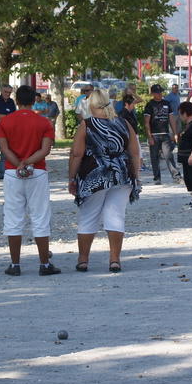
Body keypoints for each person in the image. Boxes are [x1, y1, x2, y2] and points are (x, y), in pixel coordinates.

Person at [68, 88, 140, 273]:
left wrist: (71, 178)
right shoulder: (124, 123)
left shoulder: (87, 124)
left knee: (88, 216)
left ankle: (83, 260)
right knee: (115, 215)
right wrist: (136, 178)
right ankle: (114, 259)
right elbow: (134, 152)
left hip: (94, 173)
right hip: (122, 173)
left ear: (90, 104)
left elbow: (76, 154)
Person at [0, 85, 59, 277]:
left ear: (16, 101)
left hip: (12, 173)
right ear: (34, 101)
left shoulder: (5, 122)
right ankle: (44, 264)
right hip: (37, 171)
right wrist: (28, 162)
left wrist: (18, 164)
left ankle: (15, 264)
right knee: (40, 216)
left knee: (14, 217)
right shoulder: (43, 122)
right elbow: (45, 150)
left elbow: (4, 149)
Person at [143, 84, 182, 185]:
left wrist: (175, 133)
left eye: (161, 92)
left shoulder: (166, 103)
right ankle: (157, 178)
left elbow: (171, 119)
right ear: (152, 93)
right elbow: (146, 122)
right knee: (154, 157)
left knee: (168, 155)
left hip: (165, 134)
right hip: (154, 135)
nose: (160, 94)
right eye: (157, 93)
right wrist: (149, 136)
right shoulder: (149, 105)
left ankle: (176, 176)